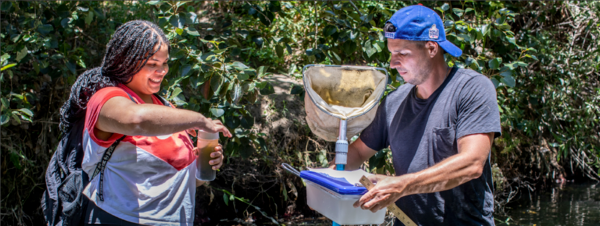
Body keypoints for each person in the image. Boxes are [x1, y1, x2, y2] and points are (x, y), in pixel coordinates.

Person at [337, 5, 501, 226]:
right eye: (392, 53)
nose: (393, 63)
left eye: (402, 54)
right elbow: (357, 152)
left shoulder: (472, 88)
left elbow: (472, 163)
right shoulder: (394, 102)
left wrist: (402, 185)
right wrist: (327, 176)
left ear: (432, 48)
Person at [59, 20, 232, 225]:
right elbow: (136, 119)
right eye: (152, 64)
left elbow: (175, 182)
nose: (162, 71)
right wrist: (199, 120)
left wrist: (205, 166)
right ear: (126, 61)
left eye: (164, 62)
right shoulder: (106, 98)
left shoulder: (165, 108)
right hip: (118, 219)